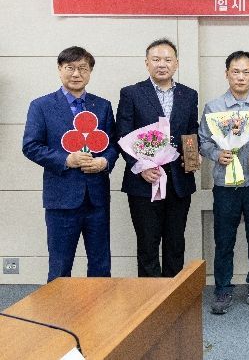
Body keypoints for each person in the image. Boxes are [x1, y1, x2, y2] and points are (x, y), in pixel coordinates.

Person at [22, 46, 119, 282]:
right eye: (70, 68)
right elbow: (31, 146)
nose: (76, 74)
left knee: (100, 265)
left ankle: (99, 306)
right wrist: (66, 159)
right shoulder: (41, 106)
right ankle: (57, 308)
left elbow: (114, 144)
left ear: (90, 72)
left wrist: (104, 161)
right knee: (60, 267)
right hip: (61, 198)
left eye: (83, 68)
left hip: (96, 198)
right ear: (59, 69)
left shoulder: (102, 106)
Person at [200, 51, 249, 314]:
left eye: (246, 72)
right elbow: (203, 141)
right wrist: (216, 154)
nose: (241, 77)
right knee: (224, 239)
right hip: (225, 185)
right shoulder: (214, 107)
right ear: (227, 74)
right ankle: (223, 289)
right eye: (235, 71)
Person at [116, 38, 199, 278]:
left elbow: (191, 131)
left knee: (175, 243)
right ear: (147, 63)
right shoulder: (131, 93)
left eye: (167, 59)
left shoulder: (188, 95)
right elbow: (122, 134)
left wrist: (194, 155)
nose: (162, 64)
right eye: (156, 59)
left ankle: (173, 294)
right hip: (144, 182)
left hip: (179, 181)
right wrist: (141, 166)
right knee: (147, 244)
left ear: (176, 63)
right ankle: (151, 297)